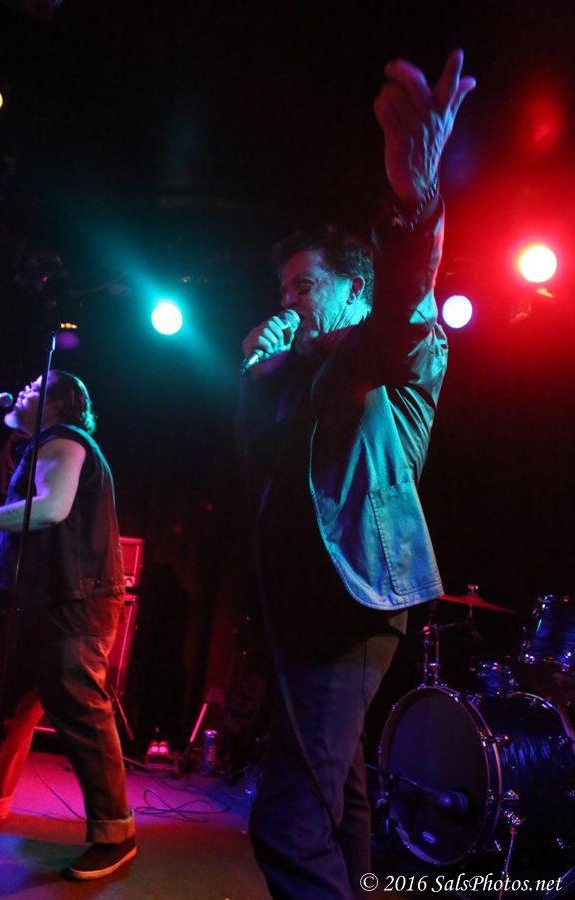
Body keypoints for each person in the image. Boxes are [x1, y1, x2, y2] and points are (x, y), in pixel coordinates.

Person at [239, 51, 475, 899]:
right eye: (284, 288)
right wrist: (257, 375)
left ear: (351, 292)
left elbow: (408, 303)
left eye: (305, 286)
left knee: (288, 820)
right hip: (308, 608)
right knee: (340, 797)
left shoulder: (388, 350)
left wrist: (415, 199)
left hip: (354, 601)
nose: (290, 301)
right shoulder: (295, 378)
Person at [0, 370, 135, 881]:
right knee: (5, 707)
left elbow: (50, 509)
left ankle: (116, 834)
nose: (22, 390)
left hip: (72, 609)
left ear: (60, 405)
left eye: (35, 387)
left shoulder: (64, 440)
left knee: (83, 718)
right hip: (39, 608)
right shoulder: (40, 446)